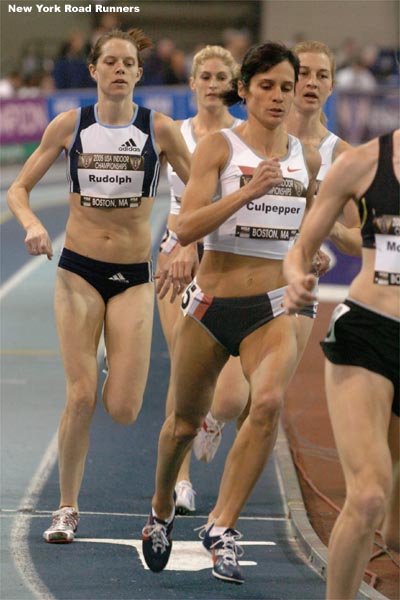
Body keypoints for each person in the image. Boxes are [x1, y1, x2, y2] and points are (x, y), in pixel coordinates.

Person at [142, 41, 321, 584]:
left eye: (285, 87)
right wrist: (248, 191)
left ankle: (222, 526)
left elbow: (305, 231)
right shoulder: (219, 148)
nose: (278, 96)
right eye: (266, 85)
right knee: (180, 425)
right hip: (211, 303)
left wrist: (311, 258)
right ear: (243, 91)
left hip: (270, 310)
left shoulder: (305, 159)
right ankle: (160, 509)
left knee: (266, 403)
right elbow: (185, 228)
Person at [7, 28, 190, 544]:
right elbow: (19, 189)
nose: (117, 69)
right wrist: (33, 225)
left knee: (125, 408)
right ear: (92, 70)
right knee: (82, 395)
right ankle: (66, 507)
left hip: (133, 278)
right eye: (108, 61)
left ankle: (113, 352)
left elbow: (199, 188)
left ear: (138, 73)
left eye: (126, 62)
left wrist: (184, 240)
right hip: (77, 273)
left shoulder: (161, 129)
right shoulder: (71, 126)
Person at [193, 39, 362, 467]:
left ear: (331, 87)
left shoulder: (339, 156)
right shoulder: (247, 135)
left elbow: (364, 236)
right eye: (303, 74)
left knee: (266, 401)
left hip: (293, 286)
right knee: (231, 398)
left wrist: (323, 232)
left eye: (322, 76)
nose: (310, 83)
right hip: (241, 277)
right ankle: (212, 419)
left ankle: (234, 509)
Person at [283, 129, 399, 599]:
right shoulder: (364, 163)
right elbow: (300, 249)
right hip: (368, 332)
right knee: (369, 494)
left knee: (395, 535)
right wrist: (295, 278)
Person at [156, 44, 248, 515]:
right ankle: (181, 481)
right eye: (204, 76)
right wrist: (168, 249)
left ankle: (216, 418)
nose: (212, 84)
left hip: (229, 256)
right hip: (178, 249)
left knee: (232, 391)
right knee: (183, 369)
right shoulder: (176, 133)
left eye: (220, 77)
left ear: (234, 86)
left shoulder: (245, 136)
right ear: (191, 83)